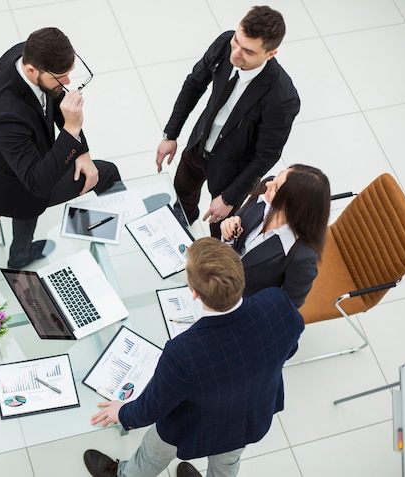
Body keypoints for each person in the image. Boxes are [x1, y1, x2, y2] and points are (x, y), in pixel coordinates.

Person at [83, 237, 304, 477]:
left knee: (152, 453)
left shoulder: (182, 352)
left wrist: (123, 413)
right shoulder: (277, 302)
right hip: (249, 417)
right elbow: (289, 349)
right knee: (227, 465)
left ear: (194, 293)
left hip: (193, 426)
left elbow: (152, 407)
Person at [0, 27, 121, 269]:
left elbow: (57, 98)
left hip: (22, 155)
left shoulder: (26, 53)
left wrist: (82, 150)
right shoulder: (7, 114)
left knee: (28, 216)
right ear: (31, 70)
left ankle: (20, 255)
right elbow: (37, 184)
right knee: (107, 173)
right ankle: (121, 222)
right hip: (13, 183)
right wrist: (71, 131)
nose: (68, 82)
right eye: (61, 77)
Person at [156, 6, 300, 239]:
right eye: (237, 41)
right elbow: (194, 84)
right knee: (183, 189)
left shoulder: (282, 97)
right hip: (200, 143)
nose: (236, 54)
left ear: (271, 54)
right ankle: (185, 217)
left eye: (248, 52)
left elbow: (267, 155)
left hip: (233, 169)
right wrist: (170, 134)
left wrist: (229, 198)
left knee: (220, 225)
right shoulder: (225, 43)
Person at [220, 164, 331, 308]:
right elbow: (236, 228)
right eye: (277, 177)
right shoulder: (264, 195)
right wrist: (228, 232)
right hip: (217, 272)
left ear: (293, 206)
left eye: (276, 188)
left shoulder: (302, 256)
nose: (268, 184)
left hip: (239, 304)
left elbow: (289, 305)